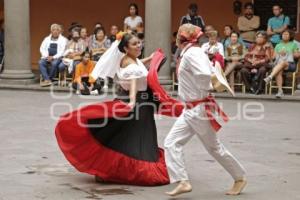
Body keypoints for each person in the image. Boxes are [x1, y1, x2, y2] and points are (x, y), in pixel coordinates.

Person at [55, 32, 175, 186]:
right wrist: (132, 103)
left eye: (139, 43)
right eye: (134, 44)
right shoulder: (131, 66)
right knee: (136, 141)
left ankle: (107, 171)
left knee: (120, 138)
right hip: (139, 105)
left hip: (133, 103)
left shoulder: (125, 60)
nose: (139, 46)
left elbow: (138, 64)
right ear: (125, 48)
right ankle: (119, 171)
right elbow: (133, 82)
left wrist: (150, 59)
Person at [164, 24, 246, 197]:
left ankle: (239, 178)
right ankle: (183, 181)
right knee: (171, 143)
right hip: (192, 108)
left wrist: (204, 90)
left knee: (213, 148)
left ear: (182, 38)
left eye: (178, 35)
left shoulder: (192, 53)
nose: (176, 38)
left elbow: (203, 74)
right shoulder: (193, 51)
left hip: (197, 108)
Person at [264, 30, 300, 98]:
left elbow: (297, 55)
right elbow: (274, 57)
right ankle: (280, 91)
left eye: (287, 34)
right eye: (283, 34)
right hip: (279, 64)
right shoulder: (278, 45)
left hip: (290, 64)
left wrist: (287, 53)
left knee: (282, 63)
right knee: (279, 70)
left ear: (290, 36)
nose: (285, 36)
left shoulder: (294, 44)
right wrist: (279, 53)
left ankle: (270, 76)